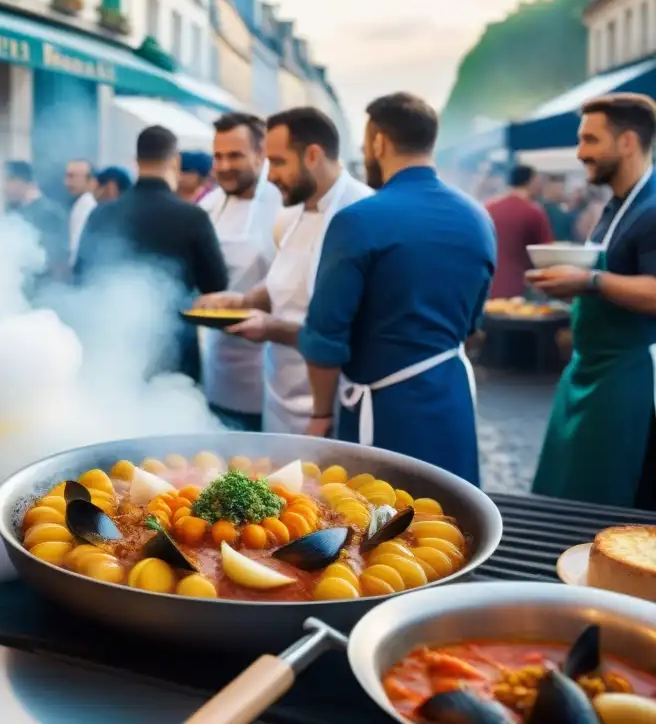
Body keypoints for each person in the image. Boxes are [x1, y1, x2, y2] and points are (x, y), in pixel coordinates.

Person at [297, 93, 495, 485]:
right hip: (451, 400)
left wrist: (321, 415)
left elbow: (324, 337)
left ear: (379, 142)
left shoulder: (358, 220)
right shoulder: (478, 217)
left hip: (386, 413)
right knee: (450, 526)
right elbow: (472, 324)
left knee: (384, 534)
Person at [194, 107, 372, 434]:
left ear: (314, 155)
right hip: (278, 396)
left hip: (328, 403)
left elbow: (352, 326)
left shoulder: (361, 211)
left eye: (277, 162)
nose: (271, 176)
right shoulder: (292, 213)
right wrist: (238, 301)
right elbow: (284, 283)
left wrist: (272, 328)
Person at [528, 93, 656, 509]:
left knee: (607, 502)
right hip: (588, 372)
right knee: (566, 493)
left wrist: (590, 280)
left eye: (590, 140)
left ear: (628, 142)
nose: (580, 152)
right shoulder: (617, 206)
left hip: (627, 378)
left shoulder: (652, 208)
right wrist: (575, 284)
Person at [75, 126, 228, 381]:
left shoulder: (101, 214)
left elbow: (81, 277)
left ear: (136, 161)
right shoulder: (192, 216)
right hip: (173, 349)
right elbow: (216, 284)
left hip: (114, 348)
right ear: (175, 161)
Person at [197, 113, 282, 431]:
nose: (224, 166)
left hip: (269, 363)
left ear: (261, 156)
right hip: (218, 361)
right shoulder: (207, 207)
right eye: (218, 156)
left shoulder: (283, 206)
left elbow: (295, 286)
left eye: (235, 156)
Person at [485, 165, 554, 298]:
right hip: (519, 289)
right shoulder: (533, 211)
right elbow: (547, 253)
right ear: (532, 182)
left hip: (488, 285)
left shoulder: (488, 207)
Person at [5, 160, 69, 280]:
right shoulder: (18, 211)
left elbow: (57, 259)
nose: (5, 187)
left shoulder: (49, 213)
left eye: (9, 180)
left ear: (21, 181)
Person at [65, 159, 97, 265]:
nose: (67, 182)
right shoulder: (78, 204)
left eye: (72, 176)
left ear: (90, 180)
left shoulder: (87, 205)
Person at [541, 174, 579, 243]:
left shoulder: (562, 209)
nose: (561, 190)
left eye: (562, 187)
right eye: (558, 187)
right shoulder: (545, 209)